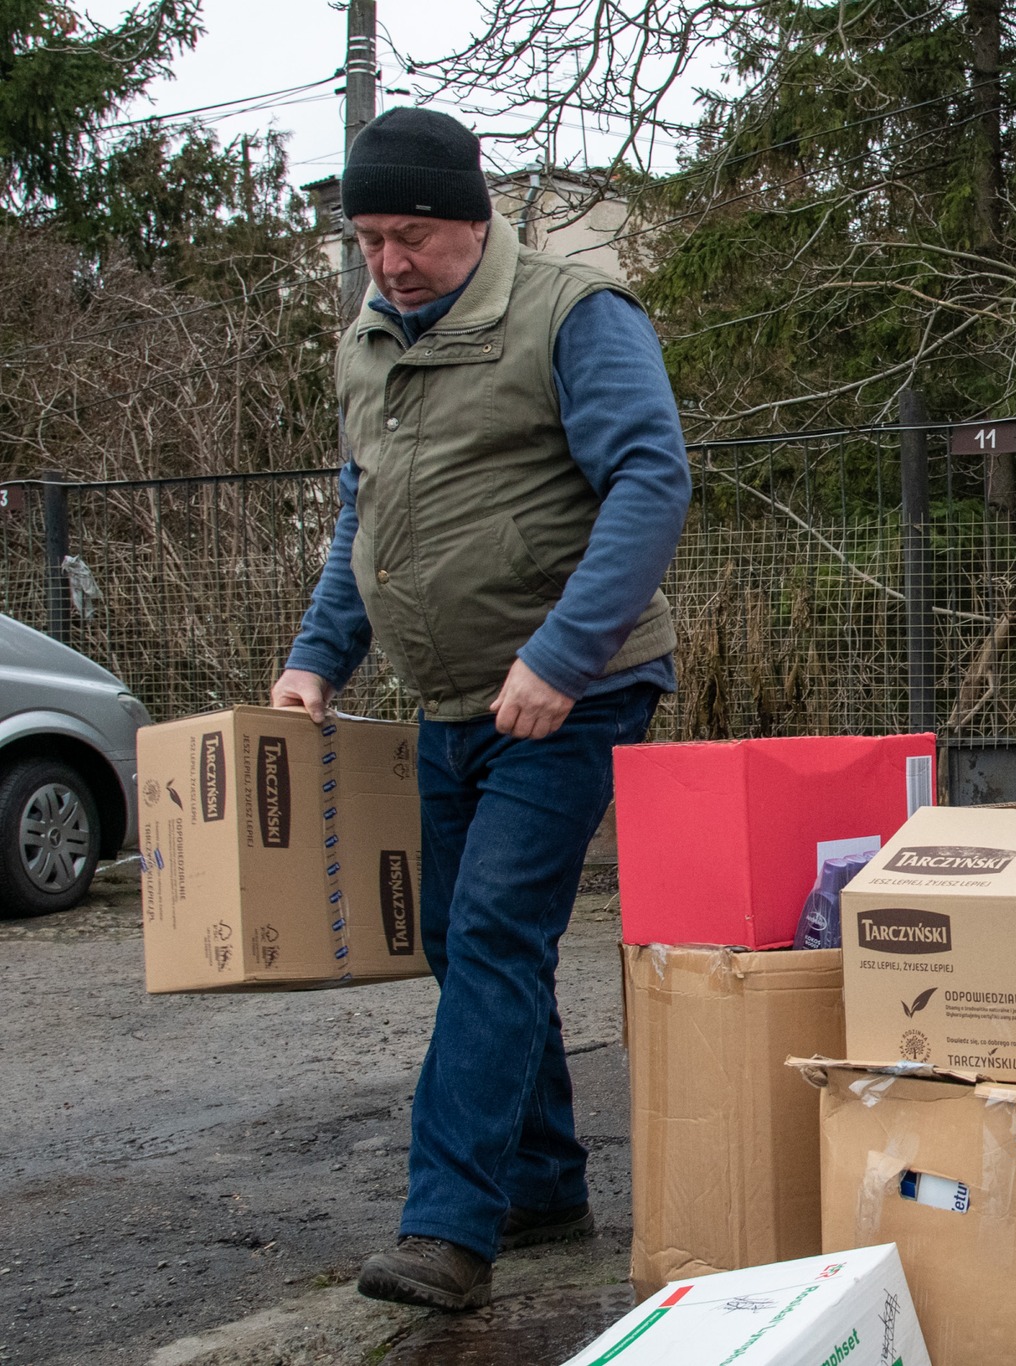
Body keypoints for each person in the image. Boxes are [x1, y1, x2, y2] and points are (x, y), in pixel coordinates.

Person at [270, 108, 691, 1312]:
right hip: (450, 693)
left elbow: (651, 479)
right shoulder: (368, 340)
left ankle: (449, 1226)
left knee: (498, 928)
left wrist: (563, 654)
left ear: (473, 218)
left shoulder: (570, 315)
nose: (389, 262)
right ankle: (547, 1180)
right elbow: (367, 509)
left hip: (581, 686)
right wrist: (318, 656)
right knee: (460, 936)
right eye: (367, 240)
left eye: (411, 235)